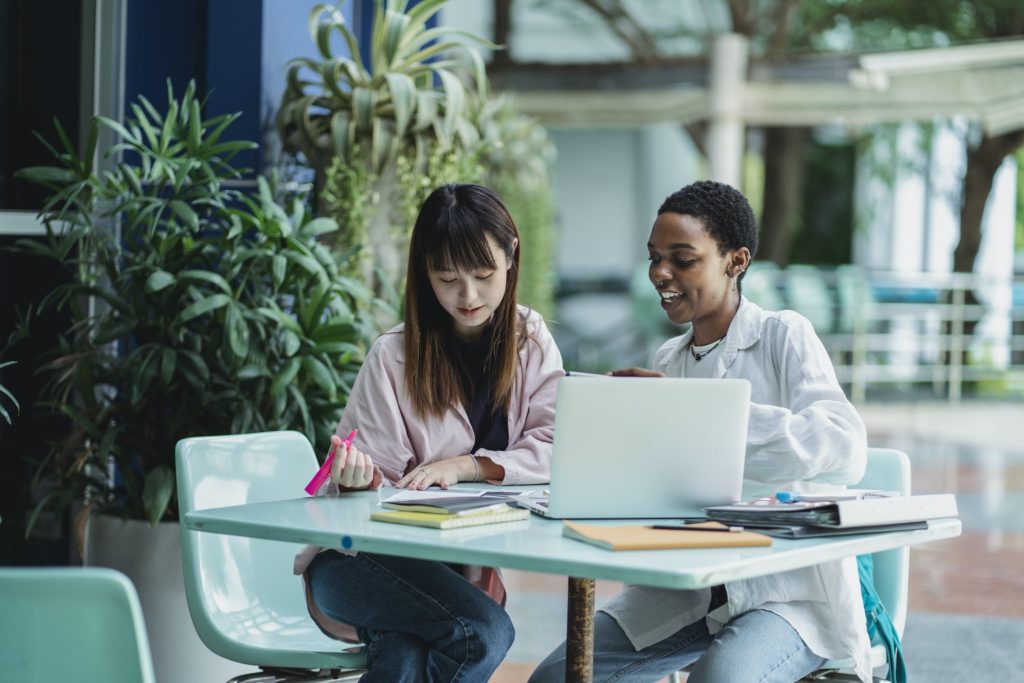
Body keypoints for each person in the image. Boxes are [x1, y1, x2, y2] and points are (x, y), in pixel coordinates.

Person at [530, 180, 872, 683]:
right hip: (688, 586)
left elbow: (845, 445)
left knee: (720, 678)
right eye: (653, 258)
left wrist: (689, 412)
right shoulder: (669, 358)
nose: (660, 274)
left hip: (783, 594)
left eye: (682, 259)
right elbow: (668, 483)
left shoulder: (784, 335)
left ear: (736, 261)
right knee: (557, 677)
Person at [294, 183, 564, 683]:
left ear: (512, 254)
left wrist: (467, 466)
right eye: (447, 278)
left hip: (451, 572)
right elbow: (363, 490)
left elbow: (555, 446)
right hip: (359, 563)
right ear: (425, 273)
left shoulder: (531, 342)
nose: (468, 296)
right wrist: (358, 482)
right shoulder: (392, 357)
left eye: (483, 275)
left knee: (404, 657)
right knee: (482, 633)